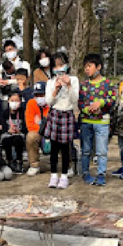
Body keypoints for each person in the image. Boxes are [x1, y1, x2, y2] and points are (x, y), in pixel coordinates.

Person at [78, 53, 116, 186]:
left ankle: (101, 174)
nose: (86, 69)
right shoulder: (83, 85)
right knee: (86, 150)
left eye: (89, 66)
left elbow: (113, 100)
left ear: (98, 67)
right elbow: (80, 103)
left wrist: (101, 103)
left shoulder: (107, 84)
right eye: (85, 67)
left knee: (101, 151)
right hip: (86, 122)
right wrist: (88, 109)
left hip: (102, 123)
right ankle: (85, 173)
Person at [45, 52, 79, 189]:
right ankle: (54, 175)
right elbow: (48, 102)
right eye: (56, 65)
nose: (59, 68)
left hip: (67, 114)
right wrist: (56, 88)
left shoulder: (74, 80)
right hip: (54, 113)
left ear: (67, 65)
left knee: (66, 148)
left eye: (62, 64)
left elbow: (74, 100)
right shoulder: (50, 82)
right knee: (54, 148)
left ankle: (64, 176)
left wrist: (69, 85)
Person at [25, 82, 50, 176]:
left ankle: (67, 166)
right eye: (36, 95)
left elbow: (55, 123)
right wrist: (43, 126)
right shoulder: (31, 103)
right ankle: (34, 165)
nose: (39, 97)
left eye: (41, 94)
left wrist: (40, 123)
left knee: (64, 135)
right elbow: (30, 125)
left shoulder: (52, 103)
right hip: (38, 133)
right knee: (31, 136)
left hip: (53, 132)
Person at [0, 91, 27, 174]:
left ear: (20, 101)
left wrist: (20, 131)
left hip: (19, 134)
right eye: (12, 100)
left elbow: (26, 127)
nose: (14, 103)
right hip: (7, 134)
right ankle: (10, 161)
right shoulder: (4, 113)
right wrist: (8, 130)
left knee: (18, 139)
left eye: (17, 101)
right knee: (7, 140)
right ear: (8, 101)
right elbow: (2, 126)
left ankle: (19, 161)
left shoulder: (23, 112)